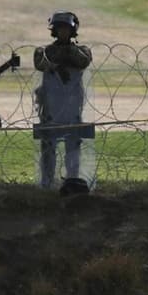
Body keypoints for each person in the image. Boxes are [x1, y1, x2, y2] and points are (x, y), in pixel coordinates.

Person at [33, 11, 93, 189]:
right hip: (51, 107)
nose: (63, 32)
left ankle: (73, 182)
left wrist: (66, 52)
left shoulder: (81, 50)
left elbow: (83, 61)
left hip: (73, 107)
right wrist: (58, 64)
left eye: (67, 29)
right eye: (60, 29)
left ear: (73, 30)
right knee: (49, 147)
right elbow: (41, 63)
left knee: (73, 147)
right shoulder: (45, 51)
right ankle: (47, 183)